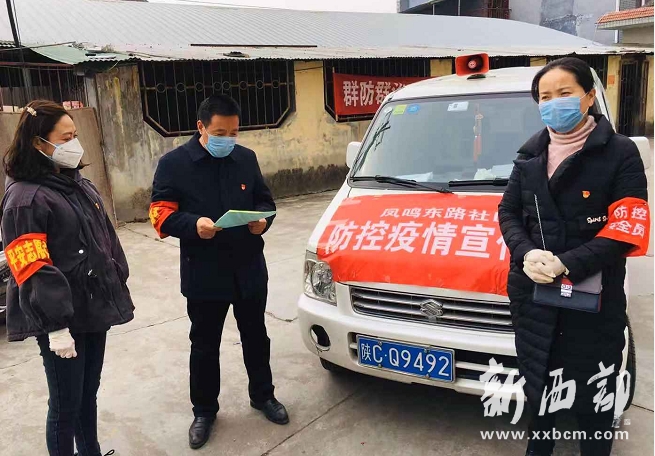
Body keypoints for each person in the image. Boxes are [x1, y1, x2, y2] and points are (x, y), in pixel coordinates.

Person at [499, 58, 649, 456]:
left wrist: (568, 263)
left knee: (594, 391)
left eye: (564, 93)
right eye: (545, 97)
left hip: (592, 296)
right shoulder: (529, 154)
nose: (554, 104)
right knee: (539, 380)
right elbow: (508, 211)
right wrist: (526, 252)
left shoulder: (620, 152)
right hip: (533, 295)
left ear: (588, 96)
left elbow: (626, 228)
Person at [150, 94, 288, 450]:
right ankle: (204, 411)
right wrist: (193, 224)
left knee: (256, 337)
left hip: (248, 268)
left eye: (234, 132)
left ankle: (263, 395)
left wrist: (263, 221)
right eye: (220, 133)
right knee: (204, 345)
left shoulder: (246, 158)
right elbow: (159, 214)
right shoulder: (174, 164)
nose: (228, 139)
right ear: (201, 127)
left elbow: (265, 201)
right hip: (204, 272)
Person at [1, 100, 134, 456]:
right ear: (38, 143)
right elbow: (30, 265)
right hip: (61, 318)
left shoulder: (76, 183)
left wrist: (116, 276)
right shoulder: (25, 199)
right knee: (65, 405)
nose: (75, 144)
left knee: (87, 394)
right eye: (65, 138)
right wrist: (56, 326)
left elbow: (104, 237)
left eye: (75, 135)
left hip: (92, 305)